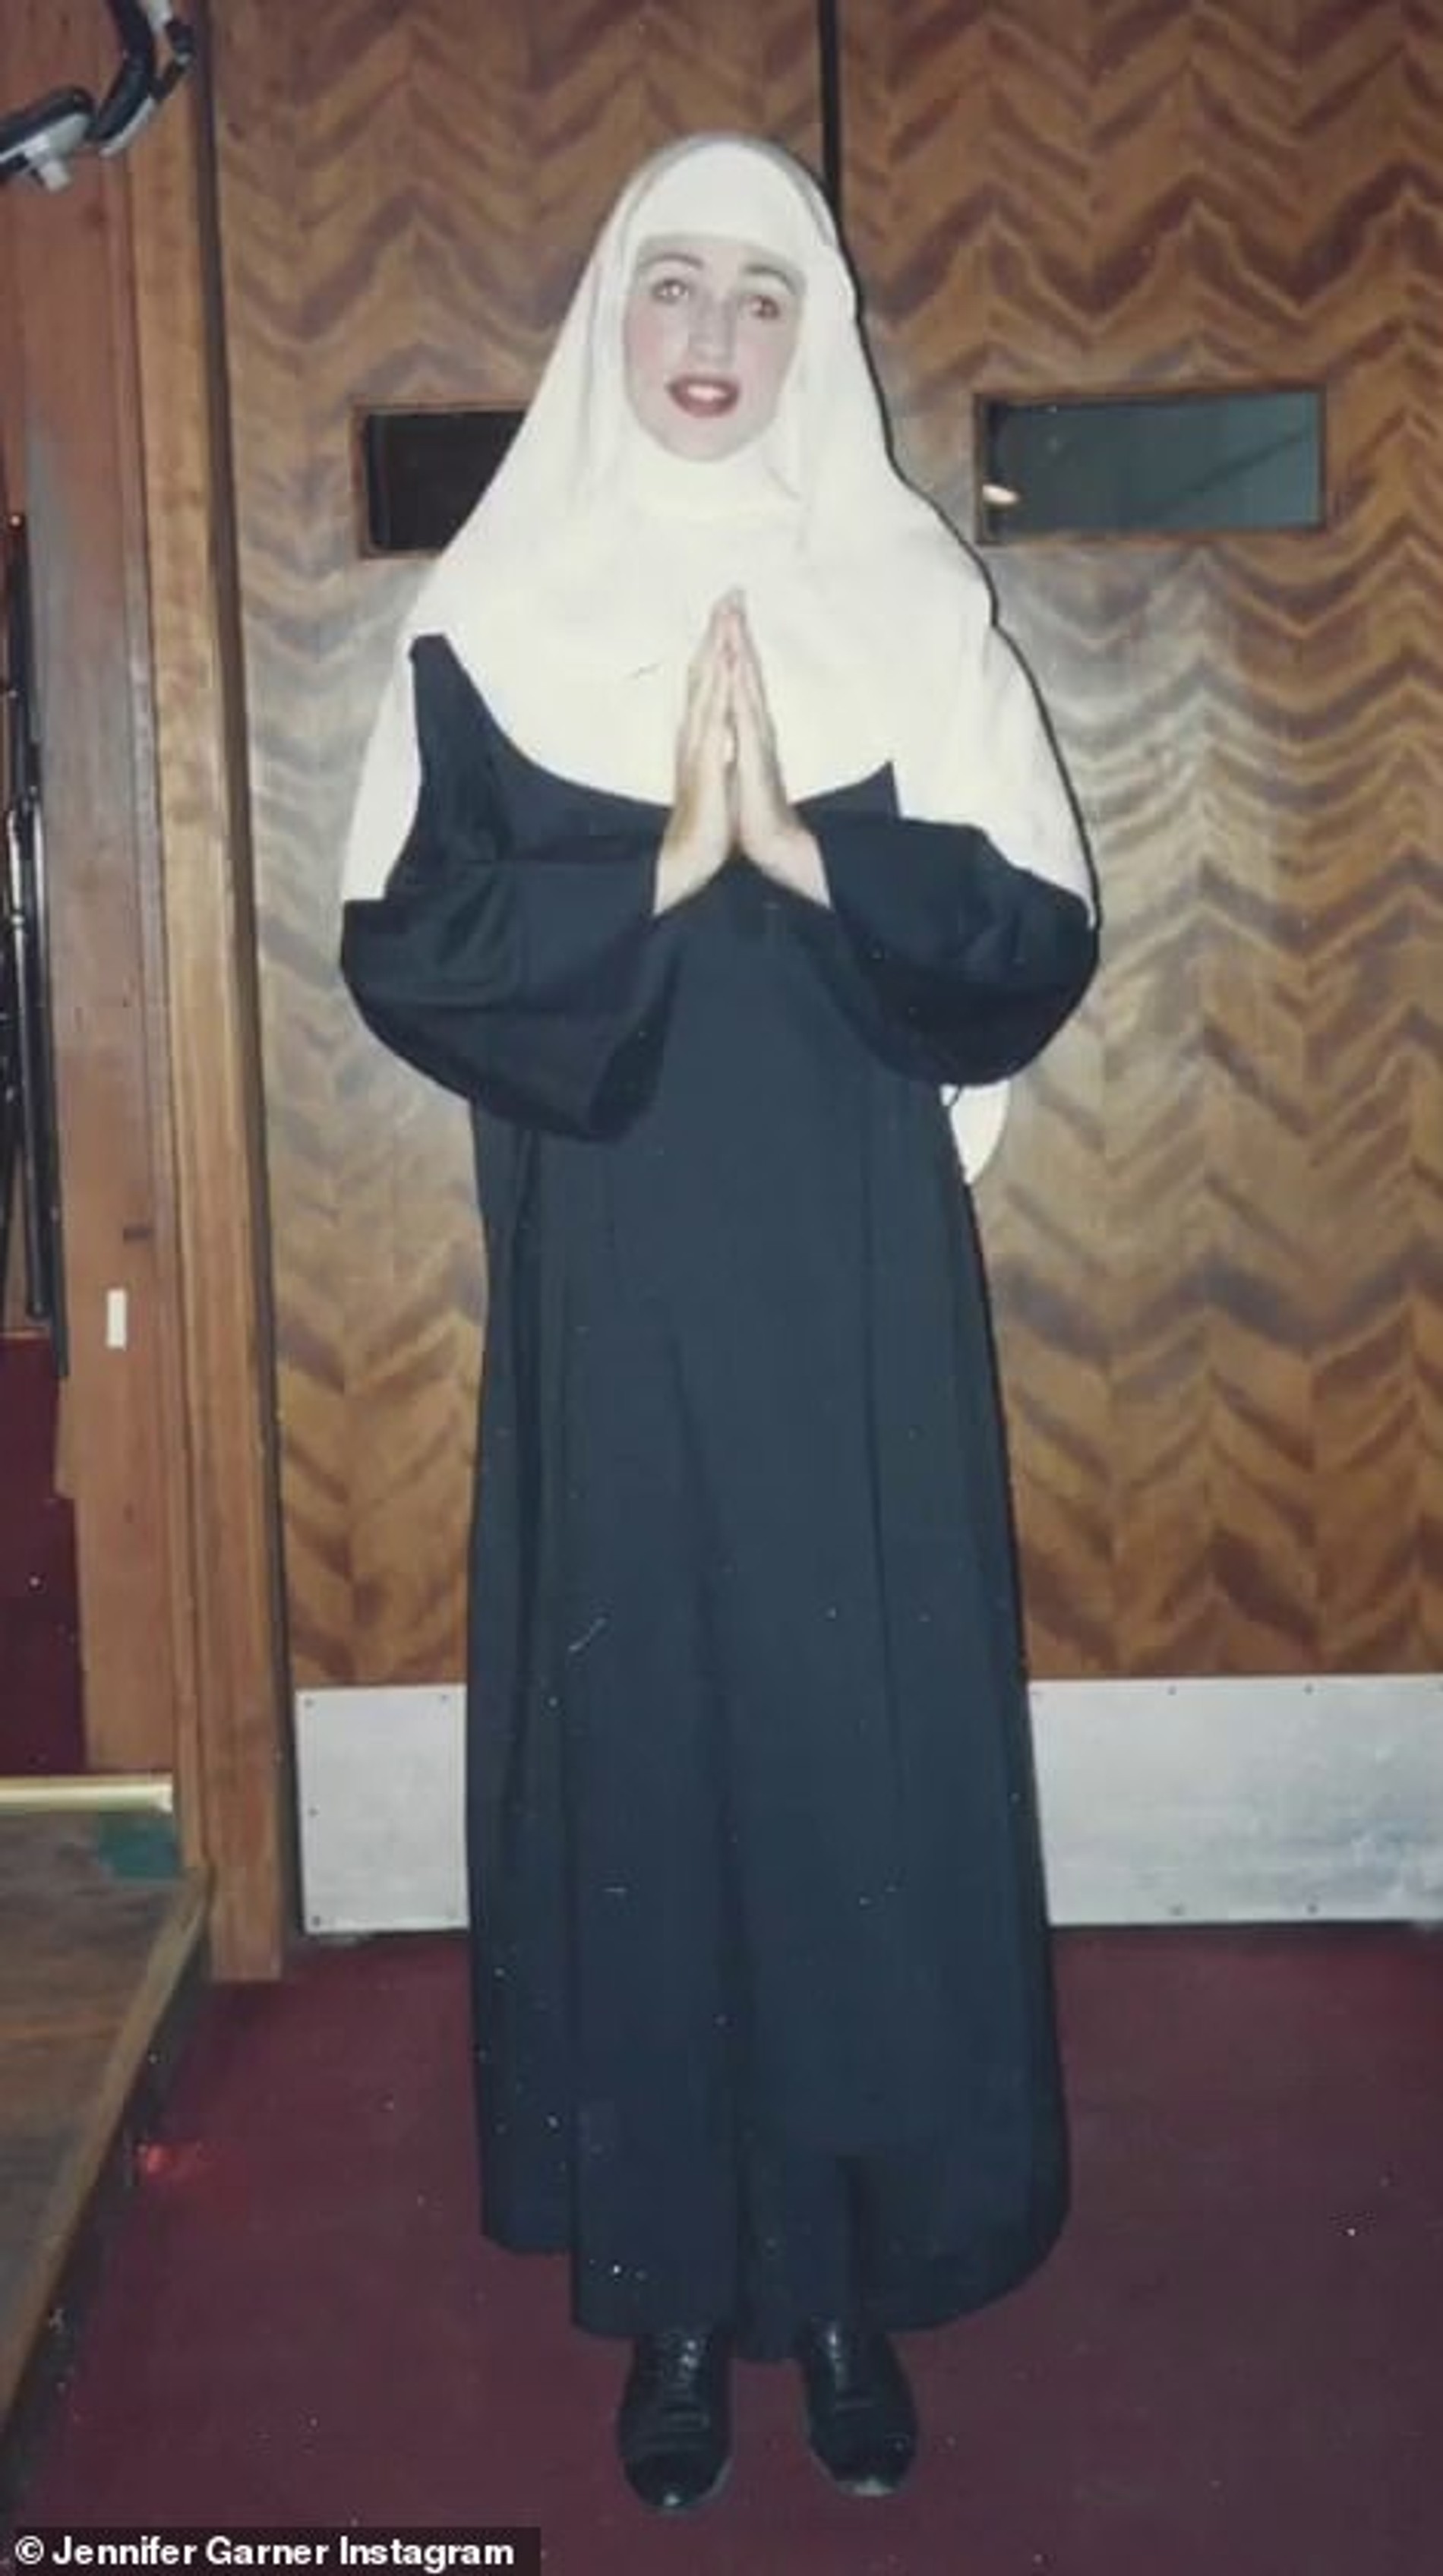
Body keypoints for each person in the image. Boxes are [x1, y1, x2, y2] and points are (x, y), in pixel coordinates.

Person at [340, 131, 1098, 2516]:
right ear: (610, 314)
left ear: (811, 336)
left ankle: (847, 2294)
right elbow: (406, 949)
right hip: (618, 1292)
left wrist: (812, 851)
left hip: (852, 1294)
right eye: (670, 284)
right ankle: (673, 2303)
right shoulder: (492, 615)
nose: (710, 334)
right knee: (647, 1765)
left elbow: (1034, 939)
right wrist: (663, 870)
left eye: (760, 294)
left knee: (848, 1760)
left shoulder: (910, 602)